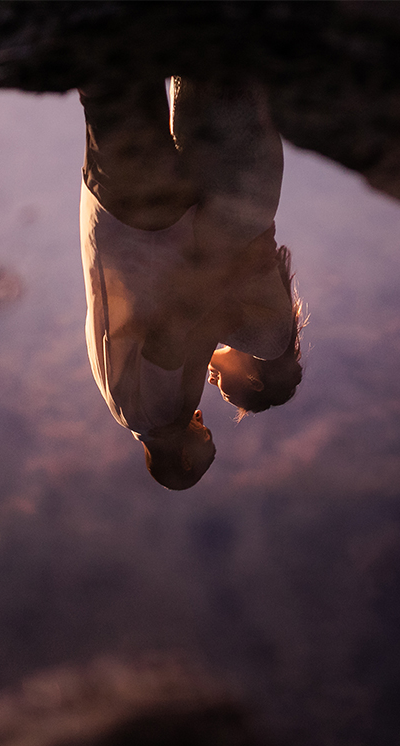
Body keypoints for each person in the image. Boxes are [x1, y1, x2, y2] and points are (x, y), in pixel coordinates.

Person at [79, 75, 305, 491]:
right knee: (123, 90)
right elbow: (183, 323)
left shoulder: (160, 416)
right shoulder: (142, 412)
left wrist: (210, 294)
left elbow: (174, 330)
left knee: (116, 85)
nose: (205, 423)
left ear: (183, 457)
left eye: (207, 444)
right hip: (140, 225)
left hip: (142, 226)